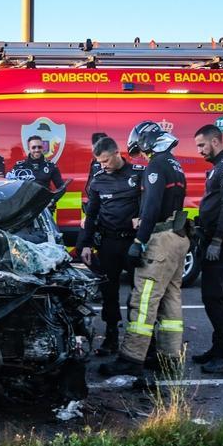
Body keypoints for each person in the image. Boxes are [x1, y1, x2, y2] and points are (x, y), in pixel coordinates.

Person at [99, 121, 189, 377]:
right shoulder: (174, 164)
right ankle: (170, 357)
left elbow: (150, 208)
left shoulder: (155, 167)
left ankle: (131, 357)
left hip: (161, 240)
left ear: (147, 141)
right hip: (179, 237)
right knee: (171, 298)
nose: (141, 151)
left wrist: (139, 242)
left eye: (140, 146)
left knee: (144, 298)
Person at [77, 136, 142, 354]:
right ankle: (111, 336)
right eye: (100, 162)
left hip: (133, 242)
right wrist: (85, 244)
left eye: (105, 161)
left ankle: (137, 341)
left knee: (138, 292)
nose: (103, 166)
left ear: (117, 153)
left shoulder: (138, 175)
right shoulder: (98, 180)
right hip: (108, 242)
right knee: (109, 291)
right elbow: (92, 214)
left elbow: (150, 206)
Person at [191, 125, 223, 374]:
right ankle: (219, 348)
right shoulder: (217, 168)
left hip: (218, 240)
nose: (199, 150)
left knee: (212, 297)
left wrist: (216, 241)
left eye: (202, 145)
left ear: (215, 141)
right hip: (212, 237)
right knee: (221, 295)